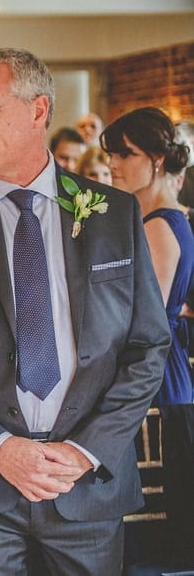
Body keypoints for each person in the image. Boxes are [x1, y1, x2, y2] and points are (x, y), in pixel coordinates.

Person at [0, 48, 171, 574]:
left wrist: (86, 452)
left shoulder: (114, 214)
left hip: (86, 486)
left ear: (38, 111)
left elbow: (148, 346)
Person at [102, 106, 193, 569]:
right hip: (165, 375)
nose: (113, 163)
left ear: (157, 159)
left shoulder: (159, 225)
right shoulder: (162, 218)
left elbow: (145, 323)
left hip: (155, 384)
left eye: (125, 153)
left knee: (153, 520)